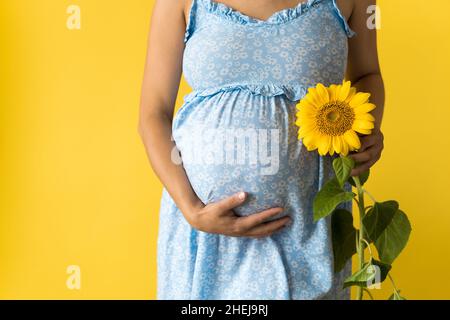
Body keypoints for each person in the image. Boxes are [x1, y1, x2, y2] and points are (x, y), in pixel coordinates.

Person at [138, 0, 384, 299]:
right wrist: (192, 209)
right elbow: (153, 113)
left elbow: (367, 75)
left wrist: (366, 131)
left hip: (306, 224)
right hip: (206, 233)